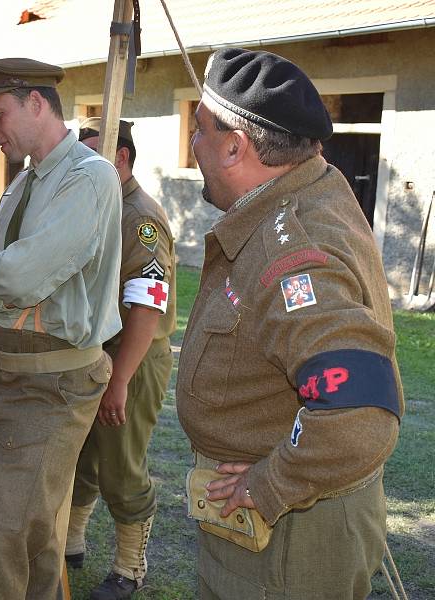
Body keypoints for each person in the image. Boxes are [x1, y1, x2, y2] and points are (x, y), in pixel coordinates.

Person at [176, 47, 403, 599]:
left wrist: (268, 482)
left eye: (200, 129)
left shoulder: (292, 254)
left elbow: (359, 410)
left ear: (235, 146)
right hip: (276, 530)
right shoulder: (305, 189)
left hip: (288, 542)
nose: (193, 143)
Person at [0, 57, 122, 599]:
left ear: (36, 103)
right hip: (4, 381)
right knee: (36, 536)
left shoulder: (89, 176)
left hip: (50, 389)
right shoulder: (25, 181)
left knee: (0, 537)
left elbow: (21, 273)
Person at [66, 118, 176, 600]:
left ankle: (130, 568)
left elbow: (148, 306)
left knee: (120, 464)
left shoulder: (141, 220)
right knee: (84, 455)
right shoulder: (103, 205)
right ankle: (69, 541)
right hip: (97, 353)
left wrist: (119, 381)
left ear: (122, 159)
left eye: (90, 160)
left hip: (133, 357)